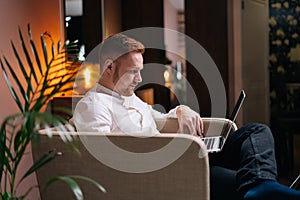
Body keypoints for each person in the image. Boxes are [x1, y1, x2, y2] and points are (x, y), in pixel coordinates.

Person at [71, 33, 300, 200]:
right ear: (109, 67)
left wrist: (181, 110)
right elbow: (102, 159)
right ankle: (262, 186)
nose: (139, 79)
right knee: (240, 180)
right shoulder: (93, 106)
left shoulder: (128, 96)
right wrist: (168, 150)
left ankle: (262, 186)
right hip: (167, 172)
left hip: (182, 157)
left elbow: (155, 117)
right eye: (133, 71)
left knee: (256, 131)